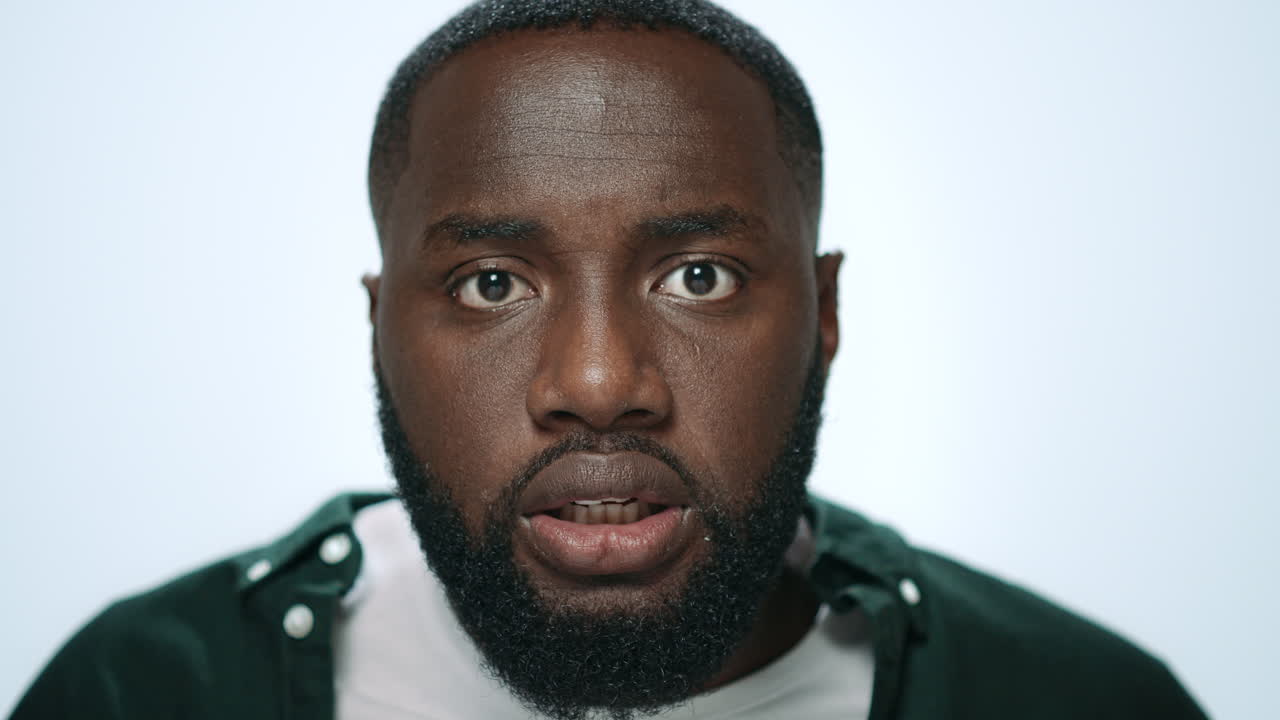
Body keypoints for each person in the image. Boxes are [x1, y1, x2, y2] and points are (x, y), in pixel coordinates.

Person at [11, 1, 1209, 719]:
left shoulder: (1075, 702)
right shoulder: (141, 693)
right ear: (379, 325)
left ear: (823, 314)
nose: (594, 382)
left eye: (699, 276)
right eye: (492, 285)